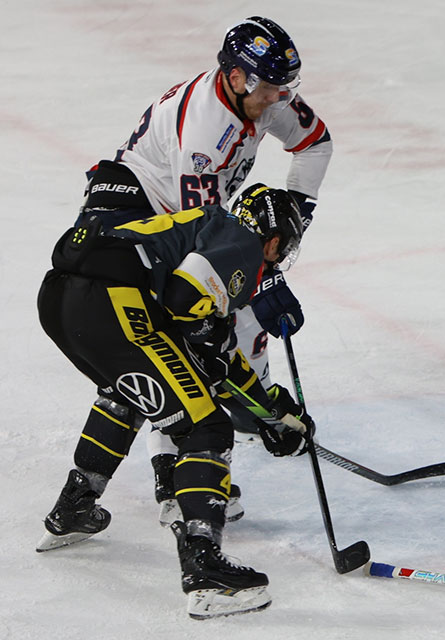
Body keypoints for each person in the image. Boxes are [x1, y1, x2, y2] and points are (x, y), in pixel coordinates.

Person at [77, 16, 332, 524]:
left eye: (285, 87)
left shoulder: (260, 95)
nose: (279, 99)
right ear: (237, 78)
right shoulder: (204, 132)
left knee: (195, 330)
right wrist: (262, 282)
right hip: (135, 220)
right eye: (269, 88)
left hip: (172, 219)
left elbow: (316, 143)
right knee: (174, 335)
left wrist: (293, 220)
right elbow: (211, 240)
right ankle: (170, 471)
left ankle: (208, 429)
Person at [37, 185, 314, 619]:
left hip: (63, 298)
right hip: (114, 300)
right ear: (274, 239)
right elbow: (186, 303)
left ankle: (75, 505)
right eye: (285, 245)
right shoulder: (241, 240)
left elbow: (212, 350)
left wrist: (272, 412)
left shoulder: (206, 227)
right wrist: (220, 349)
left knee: (126, 394)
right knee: (206, 428)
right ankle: (207, 573)